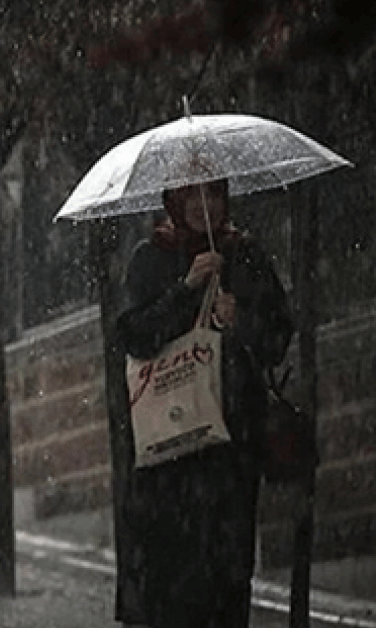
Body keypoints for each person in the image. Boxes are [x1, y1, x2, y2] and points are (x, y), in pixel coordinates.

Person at [114, 179, 294, 628]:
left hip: (231, 453)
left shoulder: (244, 256)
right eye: (191, 196)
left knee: (228, 584)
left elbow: (276, 339)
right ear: (172, 200)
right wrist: (186, 288)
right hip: (170, 456)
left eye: (212, 194)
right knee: (173, 588)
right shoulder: (151, 258)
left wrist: (242, 320)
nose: (203, 205)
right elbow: (134, 337)